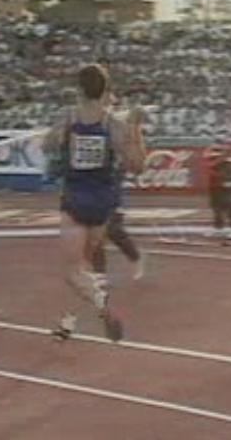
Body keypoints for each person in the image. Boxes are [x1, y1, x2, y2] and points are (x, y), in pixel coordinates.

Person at [43, 64, 146, 341]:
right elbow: (137, 165)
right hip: (101, 205)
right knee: (85, 266)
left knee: (73, 271)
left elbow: (48, 147)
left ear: (79, 89)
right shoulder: (114, 124)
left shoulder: (67, 116)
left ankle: (102, 305)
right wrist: (135, 129)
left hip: (75, 200)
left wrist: (56, 135)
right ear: (105, 91)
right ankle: (68, 321)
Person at [92, 57, 146, 281]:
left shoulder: (118, 122)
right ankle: (99, 275)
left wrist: (132, 126)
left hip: (111, 179)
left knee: (112, 229)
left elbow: (135, 159)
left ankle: (135, 257)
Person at [205, 143, 231, 247]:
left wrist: (227, 181)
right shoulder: (215, 159)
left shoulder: (227, 163)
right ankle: (218, 227)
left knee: (229, 206)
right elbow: (208, 159)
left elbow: (227, 174)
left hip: (224, 185)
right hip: (214, 186)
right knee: (215, 206)